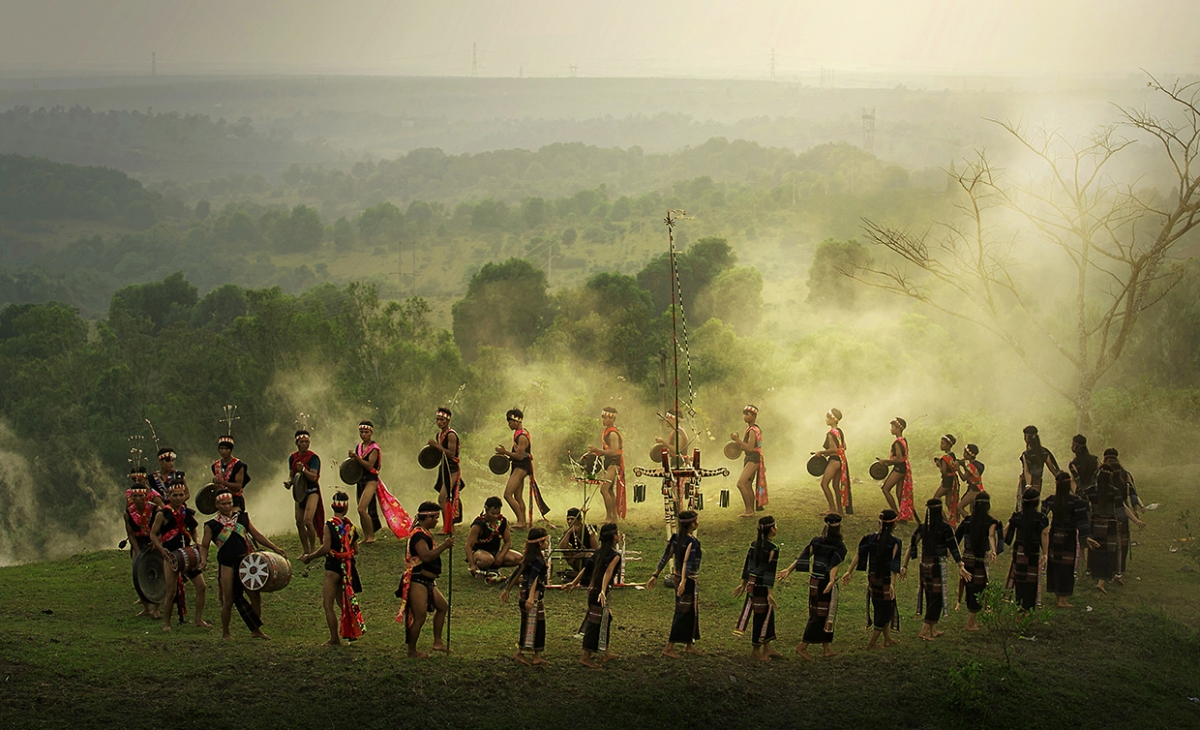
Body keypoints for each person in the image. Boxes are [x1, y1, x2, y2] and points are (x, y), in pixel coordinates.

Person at [199, 489, 284, 640]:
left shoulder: (242, 518)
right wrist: (203, 560)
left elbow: (257, 535)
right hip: (227, 564)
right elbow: (204, 545)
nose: (227, 506)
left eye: (229, 503)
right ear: (217, 505)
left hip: (245, 562)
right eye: (223, 504)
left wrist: (275, 548)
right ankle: (226, 632)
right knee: (228, 600)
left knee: (255, 596)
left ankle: (255, 630)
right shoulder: (211, 525)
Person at [299, 492, 364, 646]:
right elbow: (356, 550)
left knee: (328, 605)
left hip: (333, 568)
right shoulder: (350, 526)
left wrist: (309, 557)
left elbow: (325, 547)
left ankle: (334, 638)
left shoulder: (329, 525)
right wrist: (344, 552)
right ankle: (350, 631)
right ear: (346, 508)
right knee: (343, 603)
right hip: (347, 568)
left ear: (332, 506)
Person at [780, 513, 847, 660]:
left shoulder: (817, 541)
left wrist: (789, 570)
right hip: (824, 583)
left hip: (814, 581)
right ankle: (802, 646)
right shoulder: (839, 546)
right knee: (820, 615)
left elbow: (804, 556)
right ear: (839, 527)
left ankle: (826, 648)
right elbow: (834, 565)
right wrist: (831, 581)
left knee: (822, 613)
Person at [902, 498, 967, 640]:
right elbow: (953, 547)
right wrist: (960, 564)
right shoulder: (945, 528)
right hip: (937, 566)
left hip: (925, 565)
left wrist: (905, 565)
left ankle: (933, 629)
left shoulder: (923, 528)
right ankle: (923, 631)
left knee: (930, 596)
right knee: (936, 599)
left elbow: (911, 545)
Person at [841, 509, 904, 650]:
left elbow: (859, 554)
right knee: (885, 611)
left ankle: (887, 639)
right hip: (885, 580)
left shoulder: (870, 539)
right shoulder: (895, 542)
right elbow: (894, 565)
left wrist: (849, 571)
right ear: (894, 524)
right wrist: (892, 584)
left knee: (879, 606)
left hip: (873, 578)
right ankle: (872, 643)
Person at [151, 484, 209, 631]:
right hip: (171, 555)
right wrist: (161, 549)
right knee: (171, 591)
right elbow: (153, 534)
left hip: (188, 554)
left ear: (184, 496)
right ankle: (167, 624)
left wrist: (196, 541)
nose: (178, 498)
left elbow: (193, 530)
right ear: (169, 496)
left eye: (181, 495)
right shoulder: (162, 514)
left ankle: (198, 619)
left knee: (201, 587)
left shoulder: (186, 512)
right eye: (175, 495)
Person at [400, 502, 454, 658]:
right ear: (427, 517)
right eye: (435, 517)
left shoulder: (425, 532)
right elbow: (425, 556)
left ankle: (437, 642)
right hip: (418, 580)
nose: (437, 520)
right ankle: (412, 651)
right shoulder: (419, 535)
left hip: (428, 581)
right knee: (420, 617)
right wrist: (444, 546)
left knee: (442, 606)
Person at [647, 510, 702, 659]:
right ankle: (669, 647)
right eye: (696, 520)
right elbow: (687, 562)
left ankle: (689, 644)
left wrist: (655, 574)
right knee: (682, 611)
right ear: (692, 524)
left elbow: (667, 556)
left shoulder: (676, 538)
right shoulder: (692, 542)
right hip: (687, 580)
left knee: (690, 611)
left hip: (678, 578)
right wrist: (684, 580)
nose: (698, 523)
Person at [1090, 451, 1145, 592]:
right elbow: (1126, 502)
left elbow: (1084, 504)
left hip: (1096, 523)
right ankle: (1114, 574)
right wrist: (1136, 516)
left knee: (1098, 550)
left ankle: (1097, 573)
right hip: (1113, 522)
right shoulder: (1117, 486)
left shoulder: (1091, 489)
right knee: (1116, 548)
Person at [1041, 471, 1097, 608]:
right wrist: (1087, 537)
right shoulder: (1076, 501)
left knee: (1055, 565)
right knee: (1066, 567)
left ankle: (1057, 596)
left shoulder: (1051, 500)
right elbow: (1082, 521)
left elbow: (1041, 517)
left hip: (1055, 536)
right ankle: (1063, 600)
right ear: (1069, 484)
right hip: (1068, 538)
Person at [500, 527, 550, 665]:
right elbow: (534, 579)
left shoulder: (529, 557)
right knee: (532, 625)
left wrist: (507, 590)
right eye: (545, 541)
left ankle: (535, 655)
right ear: (539, 543)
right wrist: (531, 598)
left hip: (525, 593)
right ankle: (521, 653)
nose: (546, 543)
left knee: (534, 624)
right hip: (532, 595)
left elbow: (517, 572)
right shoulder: (538, 560)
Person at [575, 522, 622, 668]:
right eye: (617, 533)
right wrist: (602, 590)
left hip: (594, 591)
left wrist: (574, 582)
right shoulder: (615, 556)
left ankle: (605, 652)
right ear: (614, 537)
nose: (619, 535)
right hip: (600, 592)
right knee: (595, 622)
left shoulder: (598, 552)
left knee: (606, 618)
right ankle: (585, 656)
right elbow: (608, 572)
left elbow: (586, 568)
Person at [734, 516, 781, 661]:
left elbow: (747, 565)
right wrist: (770, 592)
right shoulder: (773, 548)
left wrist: (744, 584)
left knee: (767, 615)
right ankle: (756, 650)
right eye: (775, 526)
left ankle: (767, 648)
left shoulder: (754, 545)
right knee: (761, 617)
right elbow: (769, 572)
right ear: (772, 529)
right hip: (761, 586)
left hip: (752, 585)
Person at [954, 494, 1001, 630]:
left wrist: (954, 554)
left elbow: (956, 537)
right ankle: (970, 623)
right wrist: (994, 550)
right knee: (978, 588)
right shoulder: (990, 521)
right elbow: (991, 536)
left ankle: (972, 621)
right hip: (979, 560)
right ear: (987, 505)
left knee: (970, 587)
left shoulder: (967, 521)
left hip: (967, 558)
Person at [1104, 448, 1146, 582]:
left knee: (1108, 542)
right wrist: (1136, 509)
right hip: (1122, 512)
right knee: (1122, 542)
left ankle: (1108, 570)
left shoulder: (1103, 474)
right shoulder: (1124, 474)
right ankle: (1119, 569)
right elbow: (1132, 492)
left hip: (1108, 511)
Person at [1004, 487, 1050, 609]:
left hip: (1019, 553)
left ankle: (1019, 607)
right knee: (1031, 582)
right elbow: (1044, 534)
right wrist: (1045, 553)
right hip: (1033, 553)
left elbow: (1006, 533)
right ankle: (1028, 608)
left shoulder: (1017, 516)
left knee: (1019, 580)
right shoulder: (1041, 518)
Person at [123, 478, 160, 618]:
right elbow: (130, 534)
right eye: (135, 496)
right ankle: (146, 608)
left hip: (153, 541)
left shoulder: (155, 510)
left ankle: (156, 608)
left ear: (146, 496)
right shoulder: (128, 513)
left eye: (140, 496)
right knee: (138, 572)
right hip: (138, 542)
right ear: (131, 497)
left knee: (159, 571)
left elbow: (160, 529)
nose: (138, 499)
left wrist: (156, 543)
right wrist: (137, 551)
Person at [289, 430, 325, 559]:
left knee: (308, 521)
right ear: (297, 443)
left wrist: (304, 469)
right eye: (302, 442)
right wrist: (289, 483)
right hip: (300, 492)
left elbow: (314, 477)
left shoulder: (313, 458)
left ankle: (313, 549)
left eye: (306, 442)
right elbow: (292, 475)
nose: (304, 444)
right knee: (299, 522)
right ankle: (305, 550)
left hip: (312, 491)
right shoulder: (292, 457)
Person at [466, 496, 523, 576]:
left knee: (519, 558)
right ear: (486, 510)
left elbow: (507, 542)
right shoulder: (479, 524)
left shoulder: (502, 521)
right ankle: (479, 567)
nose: (496, 516)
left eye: (498, 513)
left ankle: (493, 569)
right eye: (492, 513)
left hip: (495, 552)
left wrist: (501, 556)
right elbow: (468, 545)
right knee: (488, 559)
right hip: (480, 553)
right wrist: (472, 564)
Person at [496, 408, 532, 528]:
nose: (509, 424)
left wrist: (504, 452)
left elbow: (520, 456)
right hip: (519, 466)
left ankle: (521, 521)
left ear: (517, 421)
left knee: (507, 494)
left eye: (510, 422)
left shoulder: (522, 436)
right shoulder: (519, 434)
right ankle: (522, 521)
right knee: (518, 496)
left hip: (521, 467)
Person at [589, 406, 626, 524]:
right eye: (603, 418)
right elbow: (608, 450)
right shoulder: (607, 431)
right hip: (610, 463)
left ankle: (609, 517)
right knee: (609, 490)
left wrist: (598, 450)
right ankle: (613, 517)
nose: (603, 420)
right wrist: (597, 453)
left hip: (614, 463)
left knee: (604, 489)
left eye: (605, 418)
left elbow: (614, 451)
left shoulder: (613, 434)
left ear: (612, 419)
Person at [729, 405, 767, 517]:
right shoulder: (751, 429)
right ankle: (750, 511)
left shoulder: (753, 430)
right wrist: (737, 445)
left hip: (753, 458)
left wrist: (737, 440)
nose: (744, 416)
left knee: (741, 484)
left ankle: (749, 510)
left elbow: (750, 448)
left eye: (747, 414)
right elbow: (747, 447)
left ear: (754, 416)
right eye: (744, 414)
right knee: (748, 484)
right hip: (752, 457)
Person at [349, 420, 382, 543]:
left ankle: (371, 536)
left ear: (371, 433)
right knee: (361, 509)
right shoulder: (359, 447)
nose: (363, 434)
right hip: (360, 479)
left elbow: (369, 465)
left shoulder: (374, 448)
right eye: (361, 432)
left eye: (366, 432)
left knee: (361, 509)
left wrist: (356, 458)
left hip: (371, 480)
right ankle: (367, 536)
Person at [428, 407, 464, 521]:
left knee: (442, 498)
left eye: (442, 420)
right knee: (447, 498)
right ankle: (449, 525)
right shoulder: (439, 435)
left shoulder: (451, 435)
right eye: (437, 420)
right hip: (444, 469)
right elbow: (439, 454)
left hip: (452, 470)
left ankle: (448, 525)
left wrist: (436, 446)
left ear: (448, 421)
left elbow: (451, 454)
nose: (439, 422)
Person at [814, 408, 851, 515]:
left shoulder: (830, 434)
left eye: (828, 418)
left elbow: (833, 449)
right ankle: (840, 511)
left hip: (834, 460)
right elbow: (844, 447)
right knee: (835, 486)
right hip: (841, 460)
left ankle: (832, 508)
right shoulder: (839, 431)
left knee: (824, 484)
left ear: (833, 419)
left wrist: (821, 452)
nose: (826, 420)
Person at [876, 417, 913, 520]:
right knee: (899, 493)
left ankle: (896, 513)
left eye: (893, 427)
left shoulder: (898, 442)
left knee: (885, 489)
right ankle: (903, 515)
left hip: (900, 468)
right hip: (903, 467)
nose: (891, 429)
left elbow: (899, 459)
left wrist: (885, 461)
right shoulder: (903, 440)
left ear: (898, 429)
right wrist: (887, 463)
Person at [1018, 425, 1059, 508]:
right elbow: (1052, 468)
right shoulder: (1043, 452)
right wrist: (1060, 479)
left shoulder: (1027, 454)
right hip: (1038, 482)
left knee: (1023, 505)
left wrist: (1028, 486)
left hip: (1026, 482)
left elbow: (1027, 471)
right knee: (1034, 503)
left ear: (1027, 438)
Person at [558, 507, 599, 581]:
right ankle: (578, 572)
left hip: (588, 556)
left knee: (589, 555)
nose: (569, 521)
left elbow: (595, 548)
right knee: (567, 550)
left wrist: (580, 554)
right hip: (576, 558)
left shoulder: (588, 529)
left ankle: (587, 573)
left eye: (572, 519)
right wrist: (569, 533)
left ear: (579, 520)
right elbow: (562, 547)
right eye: (568, 519)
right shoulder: (569, 532)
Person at [210, 435, 250, 512]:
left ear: (231, 450)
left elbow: (238, 486)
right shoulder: (215, 465)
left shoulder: (238, 465)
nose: (224, 451)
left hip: (235, 500)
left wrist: (223, 483)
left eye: (226, 449)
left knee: (236, 518)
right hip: (221, 500)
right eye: (221, 448)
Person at [932, 434, 960, 525]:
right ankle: (951, 520)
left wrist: (939, 464)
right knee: (948, 503)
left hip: (947, 481)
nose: (941, 445)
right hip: (952, 480)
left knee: (935, 499)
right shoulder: (952, 455)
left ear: (948, 445)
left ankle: (946, 521)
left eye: (943, 444)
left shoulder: (944, 458)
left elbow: (943, 471)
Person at [956, 444, 986, 518]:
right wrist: (964, 466)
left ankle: (969, 521)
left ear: (968, 455)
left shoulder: (970, 466)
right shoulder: (977, 464)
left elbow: (964, 478)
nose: (963, 454)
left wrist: (958, 468)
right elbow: (971, 475)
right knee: (973, 510)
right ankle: (975, 522)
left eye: (964, 453)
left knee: (960, 507)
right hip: (979, 488)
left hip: (974, 490)